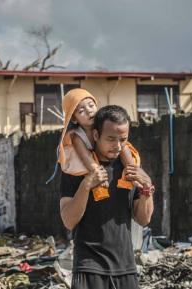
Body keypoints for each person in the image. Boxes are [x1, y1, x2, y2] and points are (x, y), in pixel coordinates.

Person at [59, 105, 155, 289]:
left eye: (123, 139)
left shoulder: (129, 169)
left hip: (126, 268)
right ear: (95, 135)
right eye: (111, 139)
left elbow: (143, 219)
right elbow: (68, 221)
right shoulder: (75, 167)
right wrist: (87, 184)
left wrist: (147, 187)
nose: (117, 146)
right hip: (89, 268)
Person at [57, 88, 140, 202]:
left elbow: (119, 141)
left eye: (91, 105)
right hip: (93, 159)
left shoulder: (103, 123)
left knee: (123, 146)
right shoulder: (77, 137)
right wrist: (98, 173)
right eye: (81, 110)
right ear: (74, 119)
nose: (89, 111)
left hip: (111, 153)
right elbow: (86, 157)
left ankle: (133, 172)